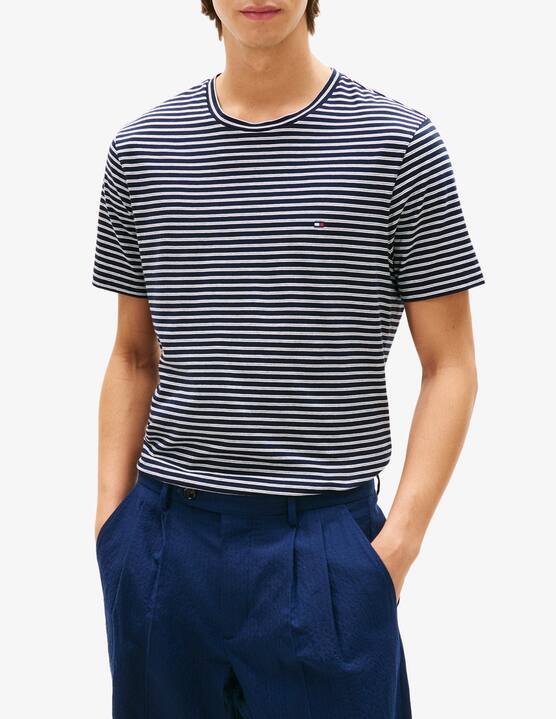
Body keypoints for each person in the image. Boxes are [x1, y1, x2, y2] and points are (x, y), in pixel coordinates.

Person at [91, 1, 485, 716]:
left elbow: (450, 363)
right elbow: (133, 355)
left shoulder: (399, 145)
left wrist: (396, 548)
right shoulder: (142, 150)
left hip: (326, 549)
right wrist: (111, 529)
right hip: (165, 547)